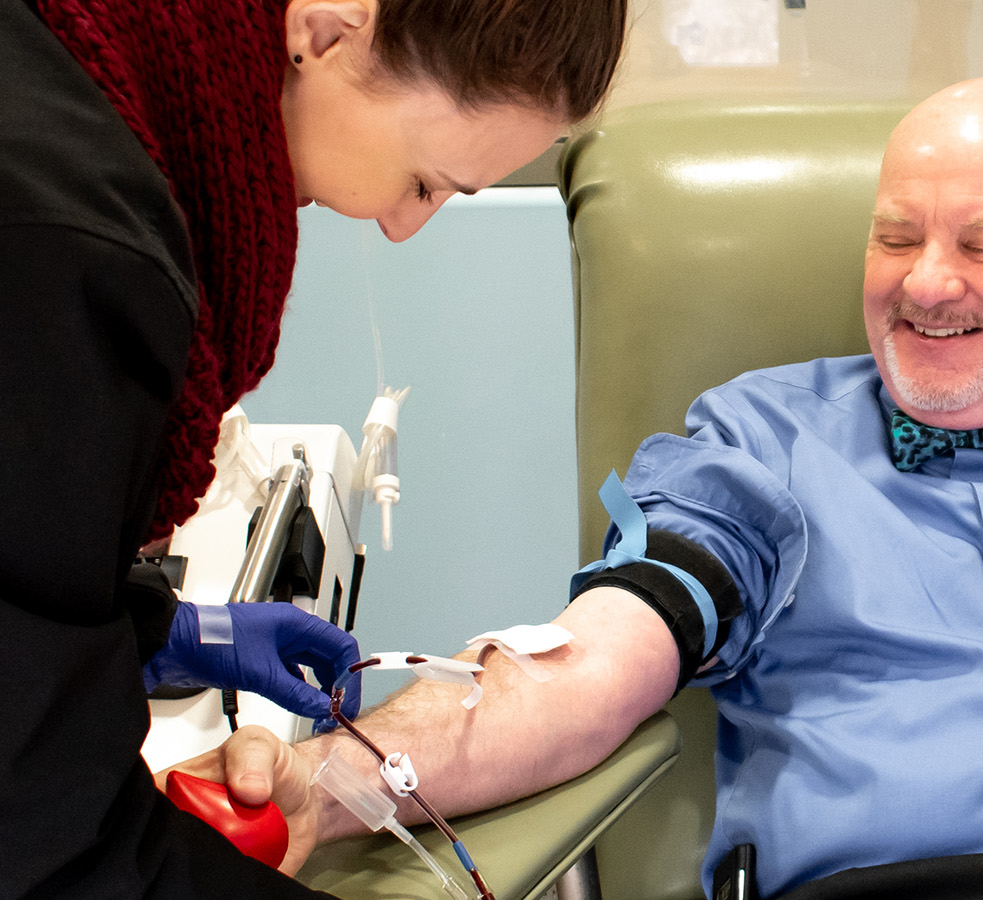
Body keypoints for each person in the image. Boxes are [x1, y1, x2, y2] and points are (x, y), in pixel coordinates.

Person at [190, 78, 983, 898]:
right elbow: (598, 657)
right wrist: (333, 782)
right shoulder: (759, 442)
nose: (925, 281)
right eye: (896, 234)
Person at [0, 0, 626, 896]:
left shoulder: (63, 63)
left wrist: (146, 627)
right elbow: (47, 842)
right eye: (424, 182)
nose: (407, 227)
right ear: (326, 31)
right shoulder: (75, 254)